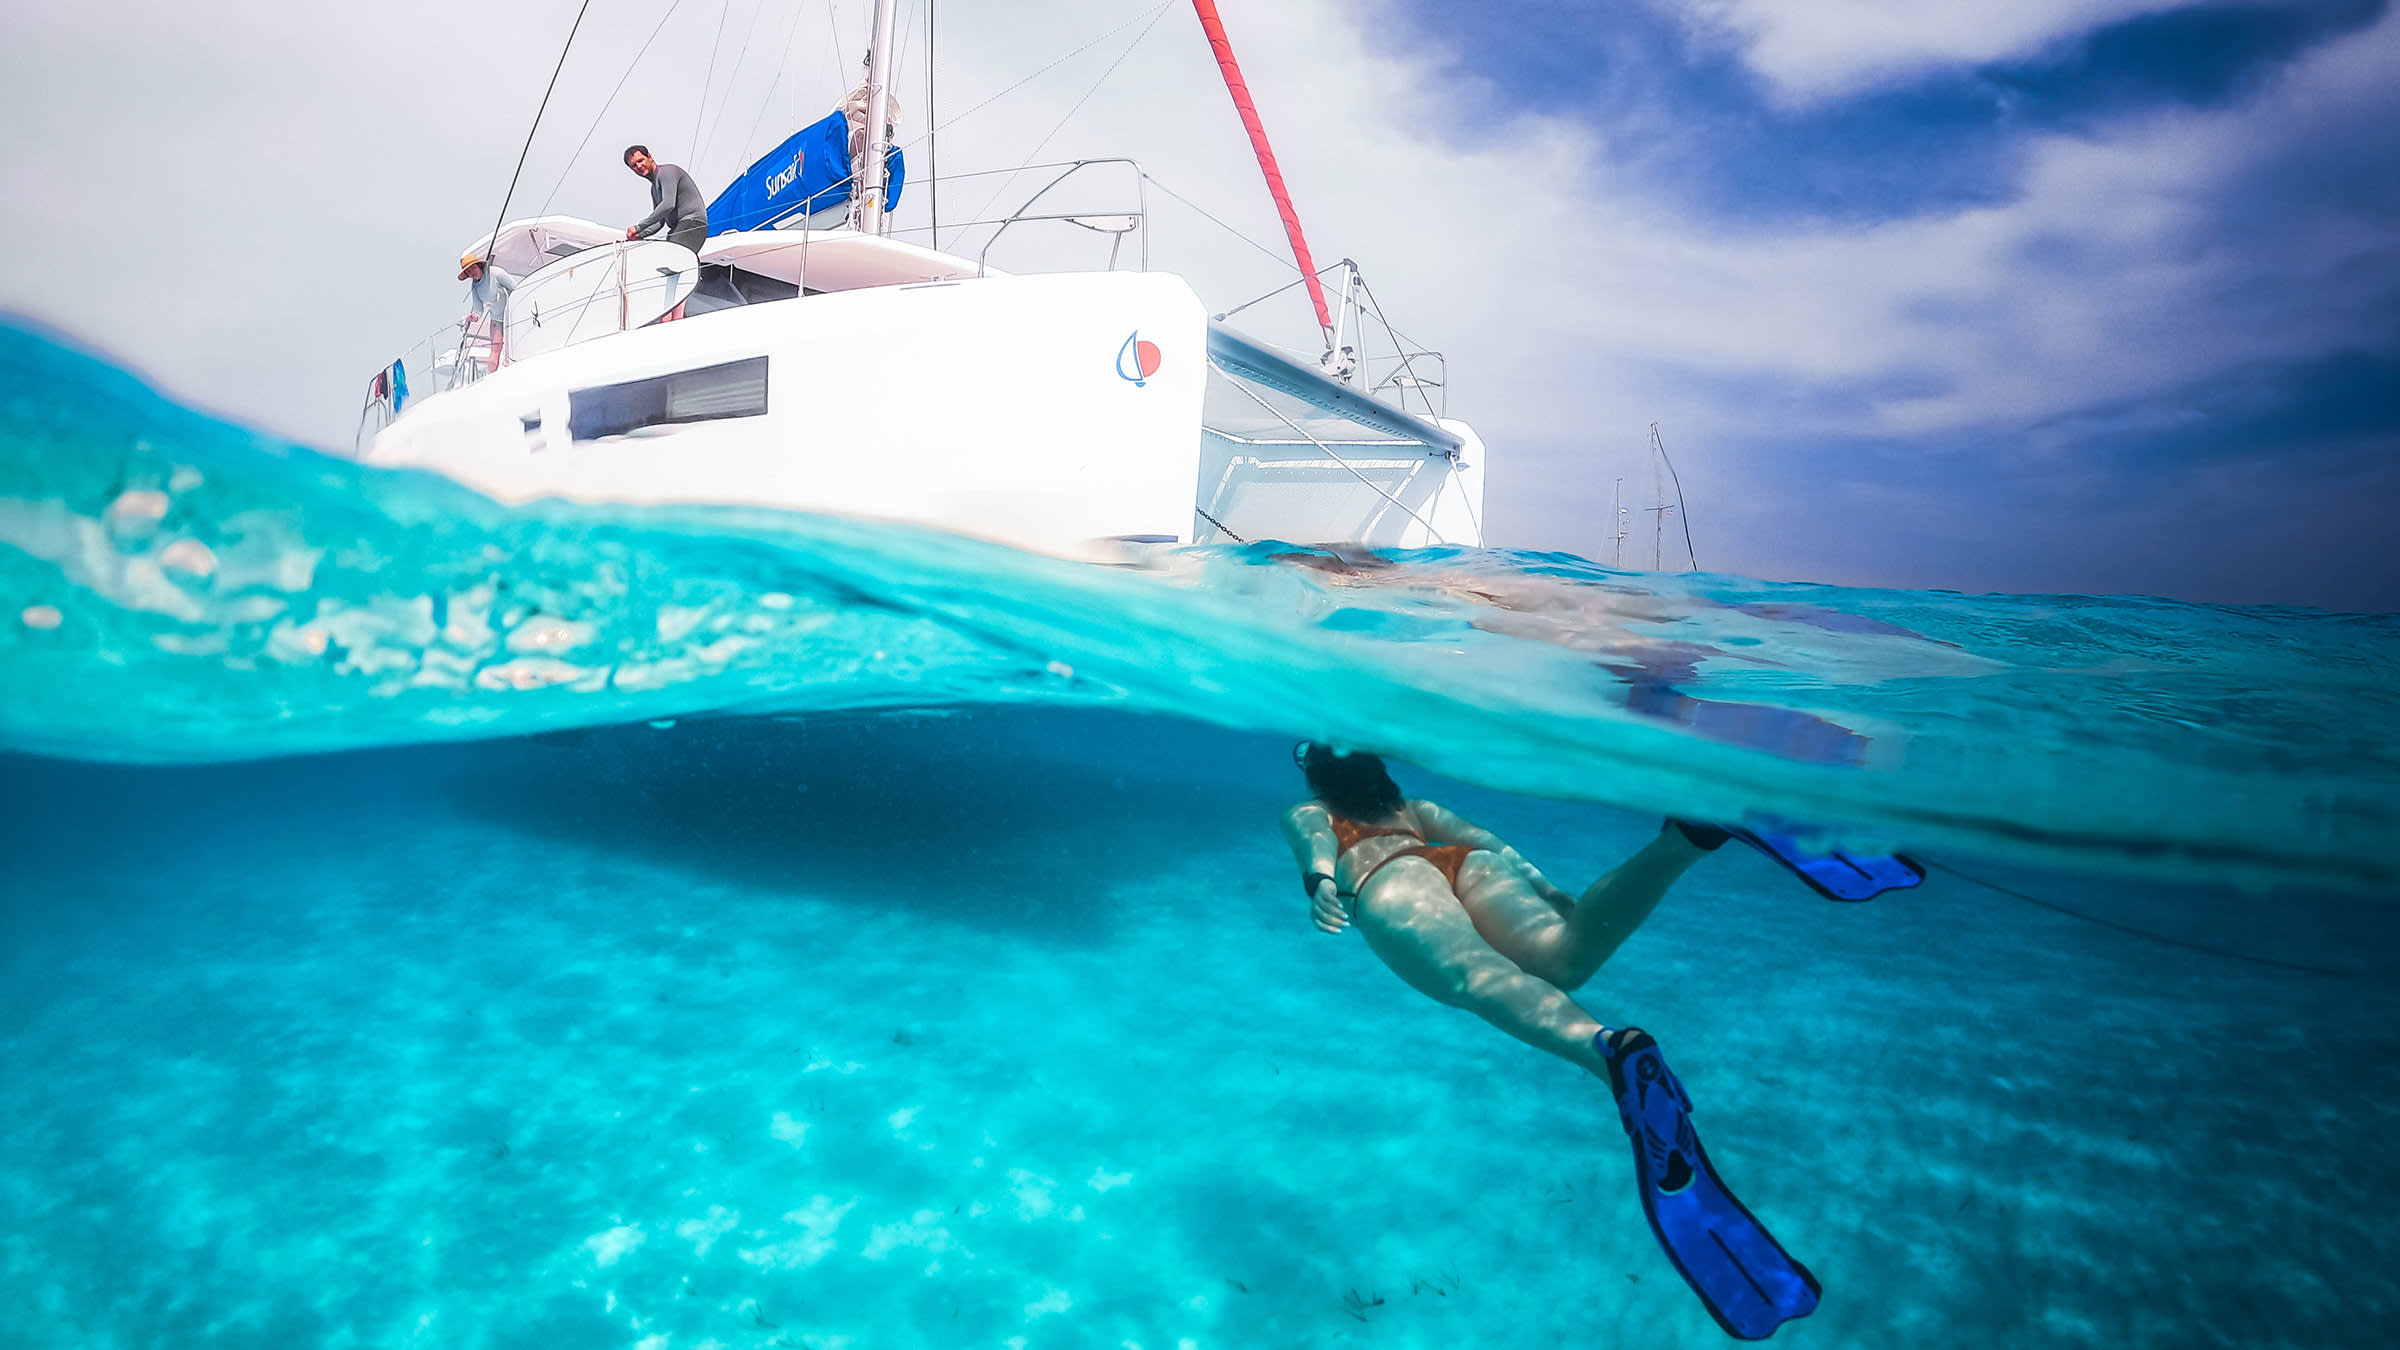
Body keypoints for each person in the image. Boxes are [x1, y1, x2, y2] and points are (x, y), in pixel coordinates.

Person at [1280, 743, 1821, 1340]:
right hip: (1463, 863)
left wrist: (1322, 885)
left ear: (1317, 772)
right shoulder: (1415, 805)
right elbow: (1490, 842)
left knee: (1476, 980)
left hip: (1390, 881)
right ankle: (1688, 840)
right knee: (1564, 958)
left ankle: (1606, 1052)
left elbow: (1316, 847)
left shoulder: (1312, 810)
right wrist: (1543, 885)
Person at [623, 145, 709, 253]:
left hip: (691, 224)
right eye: (634, 165)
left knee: (673, 261)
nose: (639, 166)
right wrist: (639, 235)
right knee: (668, 262)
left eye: (640, 160)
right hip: (677, 228)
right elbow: (659, 222)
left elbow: (668, 204)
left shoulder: (667, 172)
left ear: (649, 157)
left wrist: (638, 227)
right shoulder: (654, 189)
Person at [457, 251, 518, 373]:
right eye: (468, 272)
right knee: (494, 351)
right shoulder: (475, 286)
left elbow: (517, 289)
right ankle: (491, 378)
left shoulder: (496, 273)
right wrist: (473, 317)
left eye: (473, 268)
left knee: (513, 347)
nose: (472, 273)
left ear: (479, 266)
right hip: (496, 318)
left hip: (512, 314)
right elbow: (478, 309)